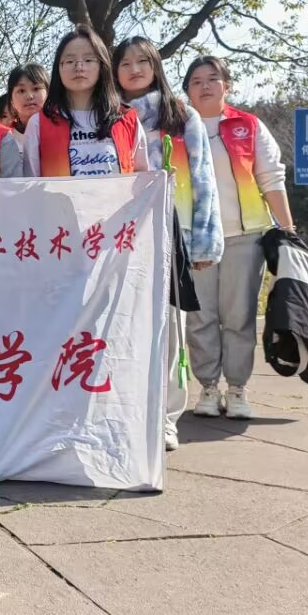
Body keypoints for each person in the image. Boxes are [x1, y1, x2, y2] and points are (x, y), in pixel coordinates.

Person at [113, 36, 224, 450]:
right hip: (119, 241)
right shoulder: (107, 116)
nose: (134, 69)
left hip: (171, 237)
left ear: (156, 66)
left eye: (143, 61)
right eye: (125, 63)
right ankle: (126, 413)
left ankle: (166, 417)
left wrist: (203, 241)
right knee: (122, 330)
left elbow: (203, 179)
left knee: (169, 332)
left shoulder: (180, 115)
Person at [183, 55, 294, 420]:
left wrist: (288, 229)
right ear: (187, 90)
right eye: (196, 80)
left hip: (244, 237)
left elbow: (271, 177)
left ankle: (237, 388)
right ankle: (208, 388)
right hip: (196, 239)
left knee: (240, 316)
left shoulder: (248, 125)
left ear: (226, 86)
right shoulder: (176, 128)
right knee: (200, 317)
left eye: (212, 79)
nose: (204, 86)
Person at [23, 25, 149, 177]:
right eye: (69, 61)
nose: (79, 67)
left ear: (102, 66)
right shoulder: (38, 124)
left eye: (88, 60)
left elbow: (141, 179)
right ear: (58, 68)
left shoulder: (127, 119)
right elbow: (30, 183)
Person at [7, 63, 50, 140]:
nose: (29, 96)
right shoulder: (2, 138)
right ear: (11, 99)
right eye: (21, 91)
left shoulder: (65, 129)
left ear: (48, 93)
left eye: (36, 89)